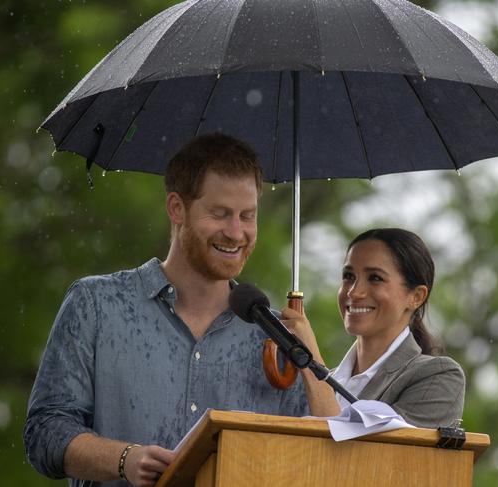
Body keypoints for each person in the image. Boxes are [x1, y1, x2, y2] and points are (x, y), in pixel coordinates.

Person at [24, 133, 307, 487]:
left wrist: (311, 360)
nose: (236, 233)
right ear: (176, 208)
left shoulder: (279, 337)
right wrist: (123, 459)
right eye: (220, 214)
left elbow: (309, 458)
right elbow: (44, 431)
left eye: (247, 216)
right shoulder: (95, 304)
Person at [281, 228, 465, 428]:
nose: (354, 292)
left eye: (375, 278)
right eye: (348, 276)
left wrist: (310, 362)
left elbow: (352, 454)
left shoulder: (437, 376)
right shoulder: (319, 382)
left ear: (416, 297)